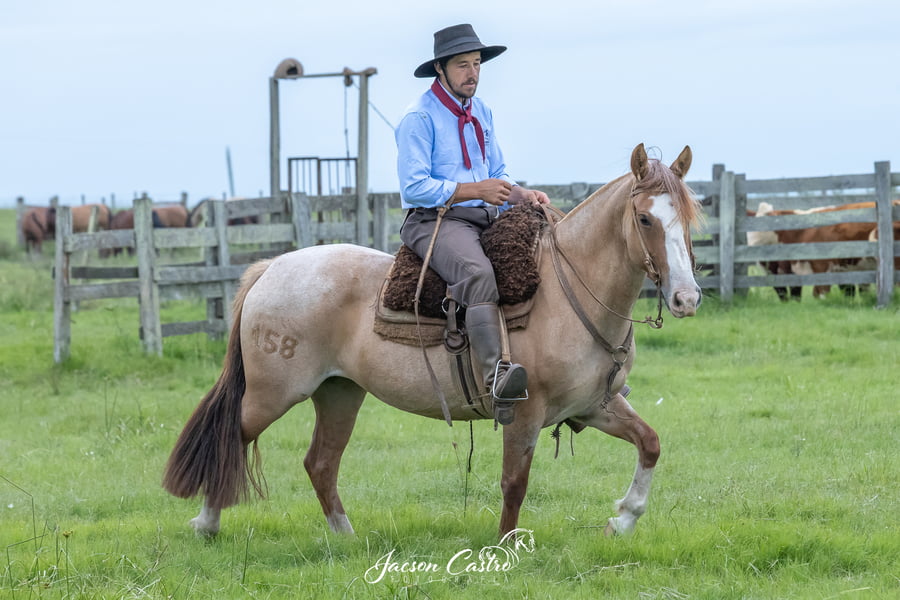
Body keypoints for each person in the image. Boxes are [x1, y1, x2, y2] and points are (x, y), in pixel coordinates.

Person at [396, 23, 550, 425]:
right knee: (478, 273)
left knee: (546, 253)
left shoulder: (482, 112)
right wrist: (472, 189)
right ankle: (496, 377)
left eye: (477, 64)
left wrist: (520, 194)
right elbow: (414, 187)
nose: (473, 73)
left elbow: (496, 170)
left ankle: (569, 368)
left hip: (483, 216)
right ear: (441, 70)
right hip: (435, 220)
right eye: (462, 65)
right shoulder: (419, 118)